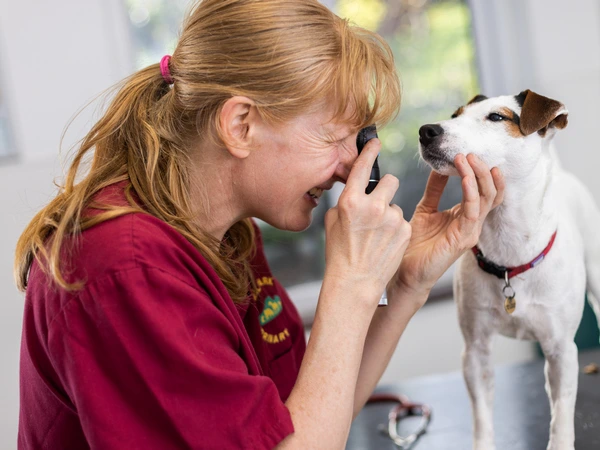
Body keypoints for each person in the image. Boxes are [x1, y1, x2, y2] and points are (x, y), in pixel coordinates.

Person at [14, 0, 504, 449]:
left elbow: (304, 422)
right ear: (241, 125)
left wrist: (401, 286)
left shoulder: (229, 236)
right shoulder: (123, 266)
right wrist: (352, 281)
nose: (347, 167)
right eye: (335, 138)